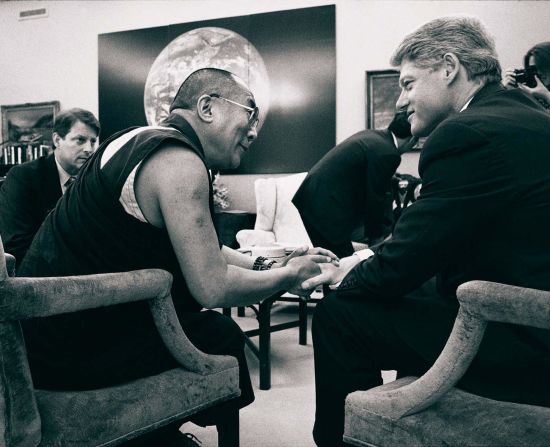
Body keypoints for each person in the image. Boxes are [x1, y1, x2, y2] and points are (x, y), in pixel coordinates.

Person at [19, 68, 335, 445]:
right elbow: (212, 287)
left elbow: (206, 249)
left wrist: (275, 264)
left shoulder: (135, 139)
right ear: (207, 107)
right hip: (71, 349)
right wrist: (289, 277)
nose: (254, 130)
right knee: (221, 335)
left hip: (40, 334)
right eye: (250, 113)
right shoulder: (179, 162)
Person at [303, 17, 550, 446]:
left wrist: (343, 274)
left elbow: (402, 267)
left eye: (407, 83)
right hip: (539, 307)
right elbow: (429, 233)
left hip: (524, 337)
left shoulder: (466, 132)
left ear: (448, 68)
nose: (402, 100)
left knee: (339, 313)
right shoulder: (528, 115)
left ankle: (351, 437)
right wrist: (366, 257)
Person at [292, 111, 416, 258]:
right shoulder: (389, 153)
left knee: (330, 260)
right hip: (326, 208)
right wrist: (376, 240)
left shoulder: (374, 137)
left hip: (312, 199)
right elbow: (376, 198)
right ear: (412, 139)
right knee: (340, 263)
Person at [0, 108, 100, 268]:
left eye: (93, 141)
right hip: (40, 278)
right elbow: (16, 246)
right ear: (57, 140)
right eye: (80, 140)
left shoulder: (94, 181)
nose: (89, 149)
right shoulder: (23, 177)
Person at [502, 41, 550, 119]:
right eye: (533, 68)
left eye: (542, 66)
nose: (539, 72)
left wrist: (546, 95)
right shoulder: (529, 90)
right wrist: (506, 91)